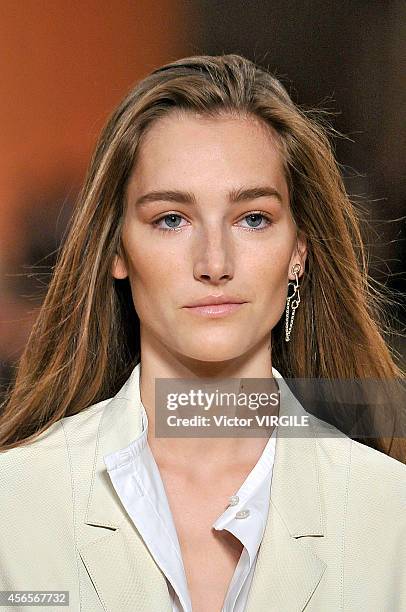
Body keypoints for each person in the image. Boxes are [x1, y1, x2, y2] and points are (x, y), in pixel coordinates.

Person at [0, 53, 405, 612]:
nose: (214, 262)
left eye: (253, 218)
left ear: (299, 251)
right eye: (171, 218)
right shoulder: (15, 505)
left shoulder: (390, 516)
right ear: (118, 249)